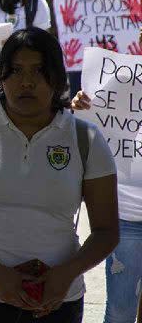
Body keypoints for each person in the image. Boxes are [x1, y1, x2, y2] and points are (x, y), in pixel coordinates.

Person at [0, 27, 119, 322]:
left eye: (39, 71)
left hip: (57, 304)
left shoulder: (86, 139)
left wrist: (63, 276)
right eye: (15, 70)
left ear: (57, 77)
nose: (26, 81)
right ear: (1, 76)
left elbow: (107, 232)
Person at [71, 28, 142, 323]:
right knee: (121, 309)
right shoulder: (117, 80)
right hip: (127, 215)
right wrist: (81, 108)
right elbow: (89, 134)